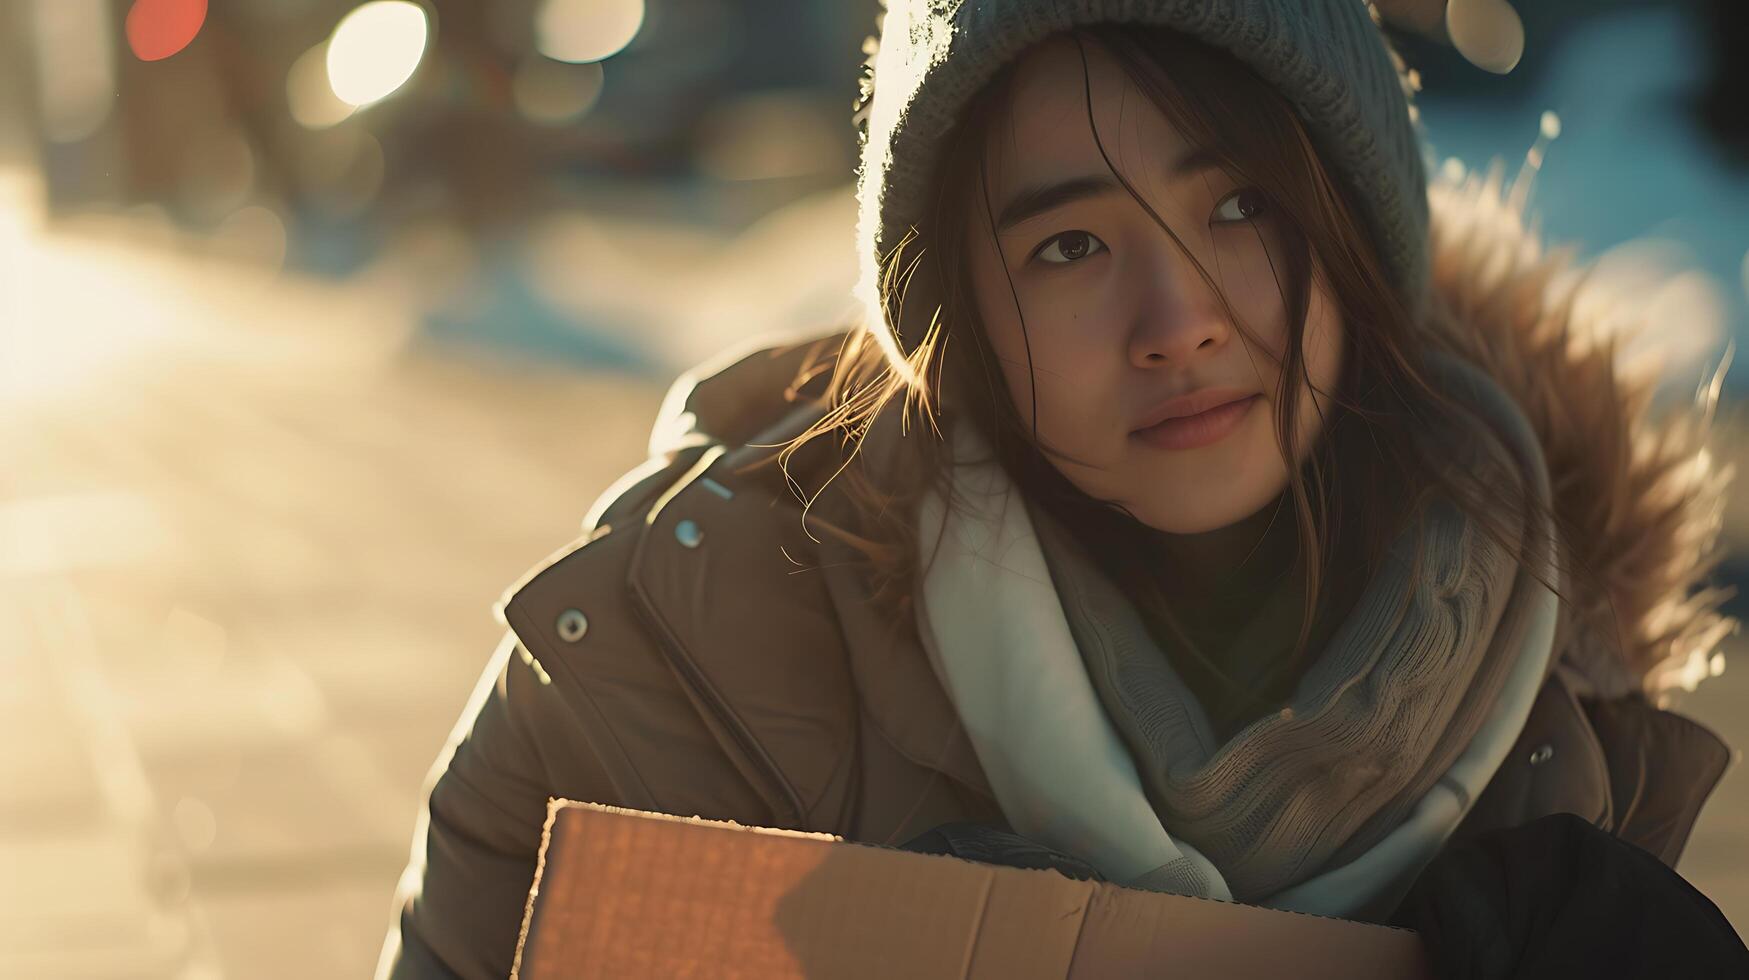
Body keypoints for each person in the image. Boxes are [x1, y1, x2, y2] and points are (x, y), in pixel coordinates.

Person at [376, 2, 1745, 977]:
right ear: (954, 314)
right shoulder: (655, 672)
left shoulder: (1564, 707)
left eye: (1238, 210)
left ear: (1352, 231)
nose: (1176, 320)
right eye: (1070, 245)